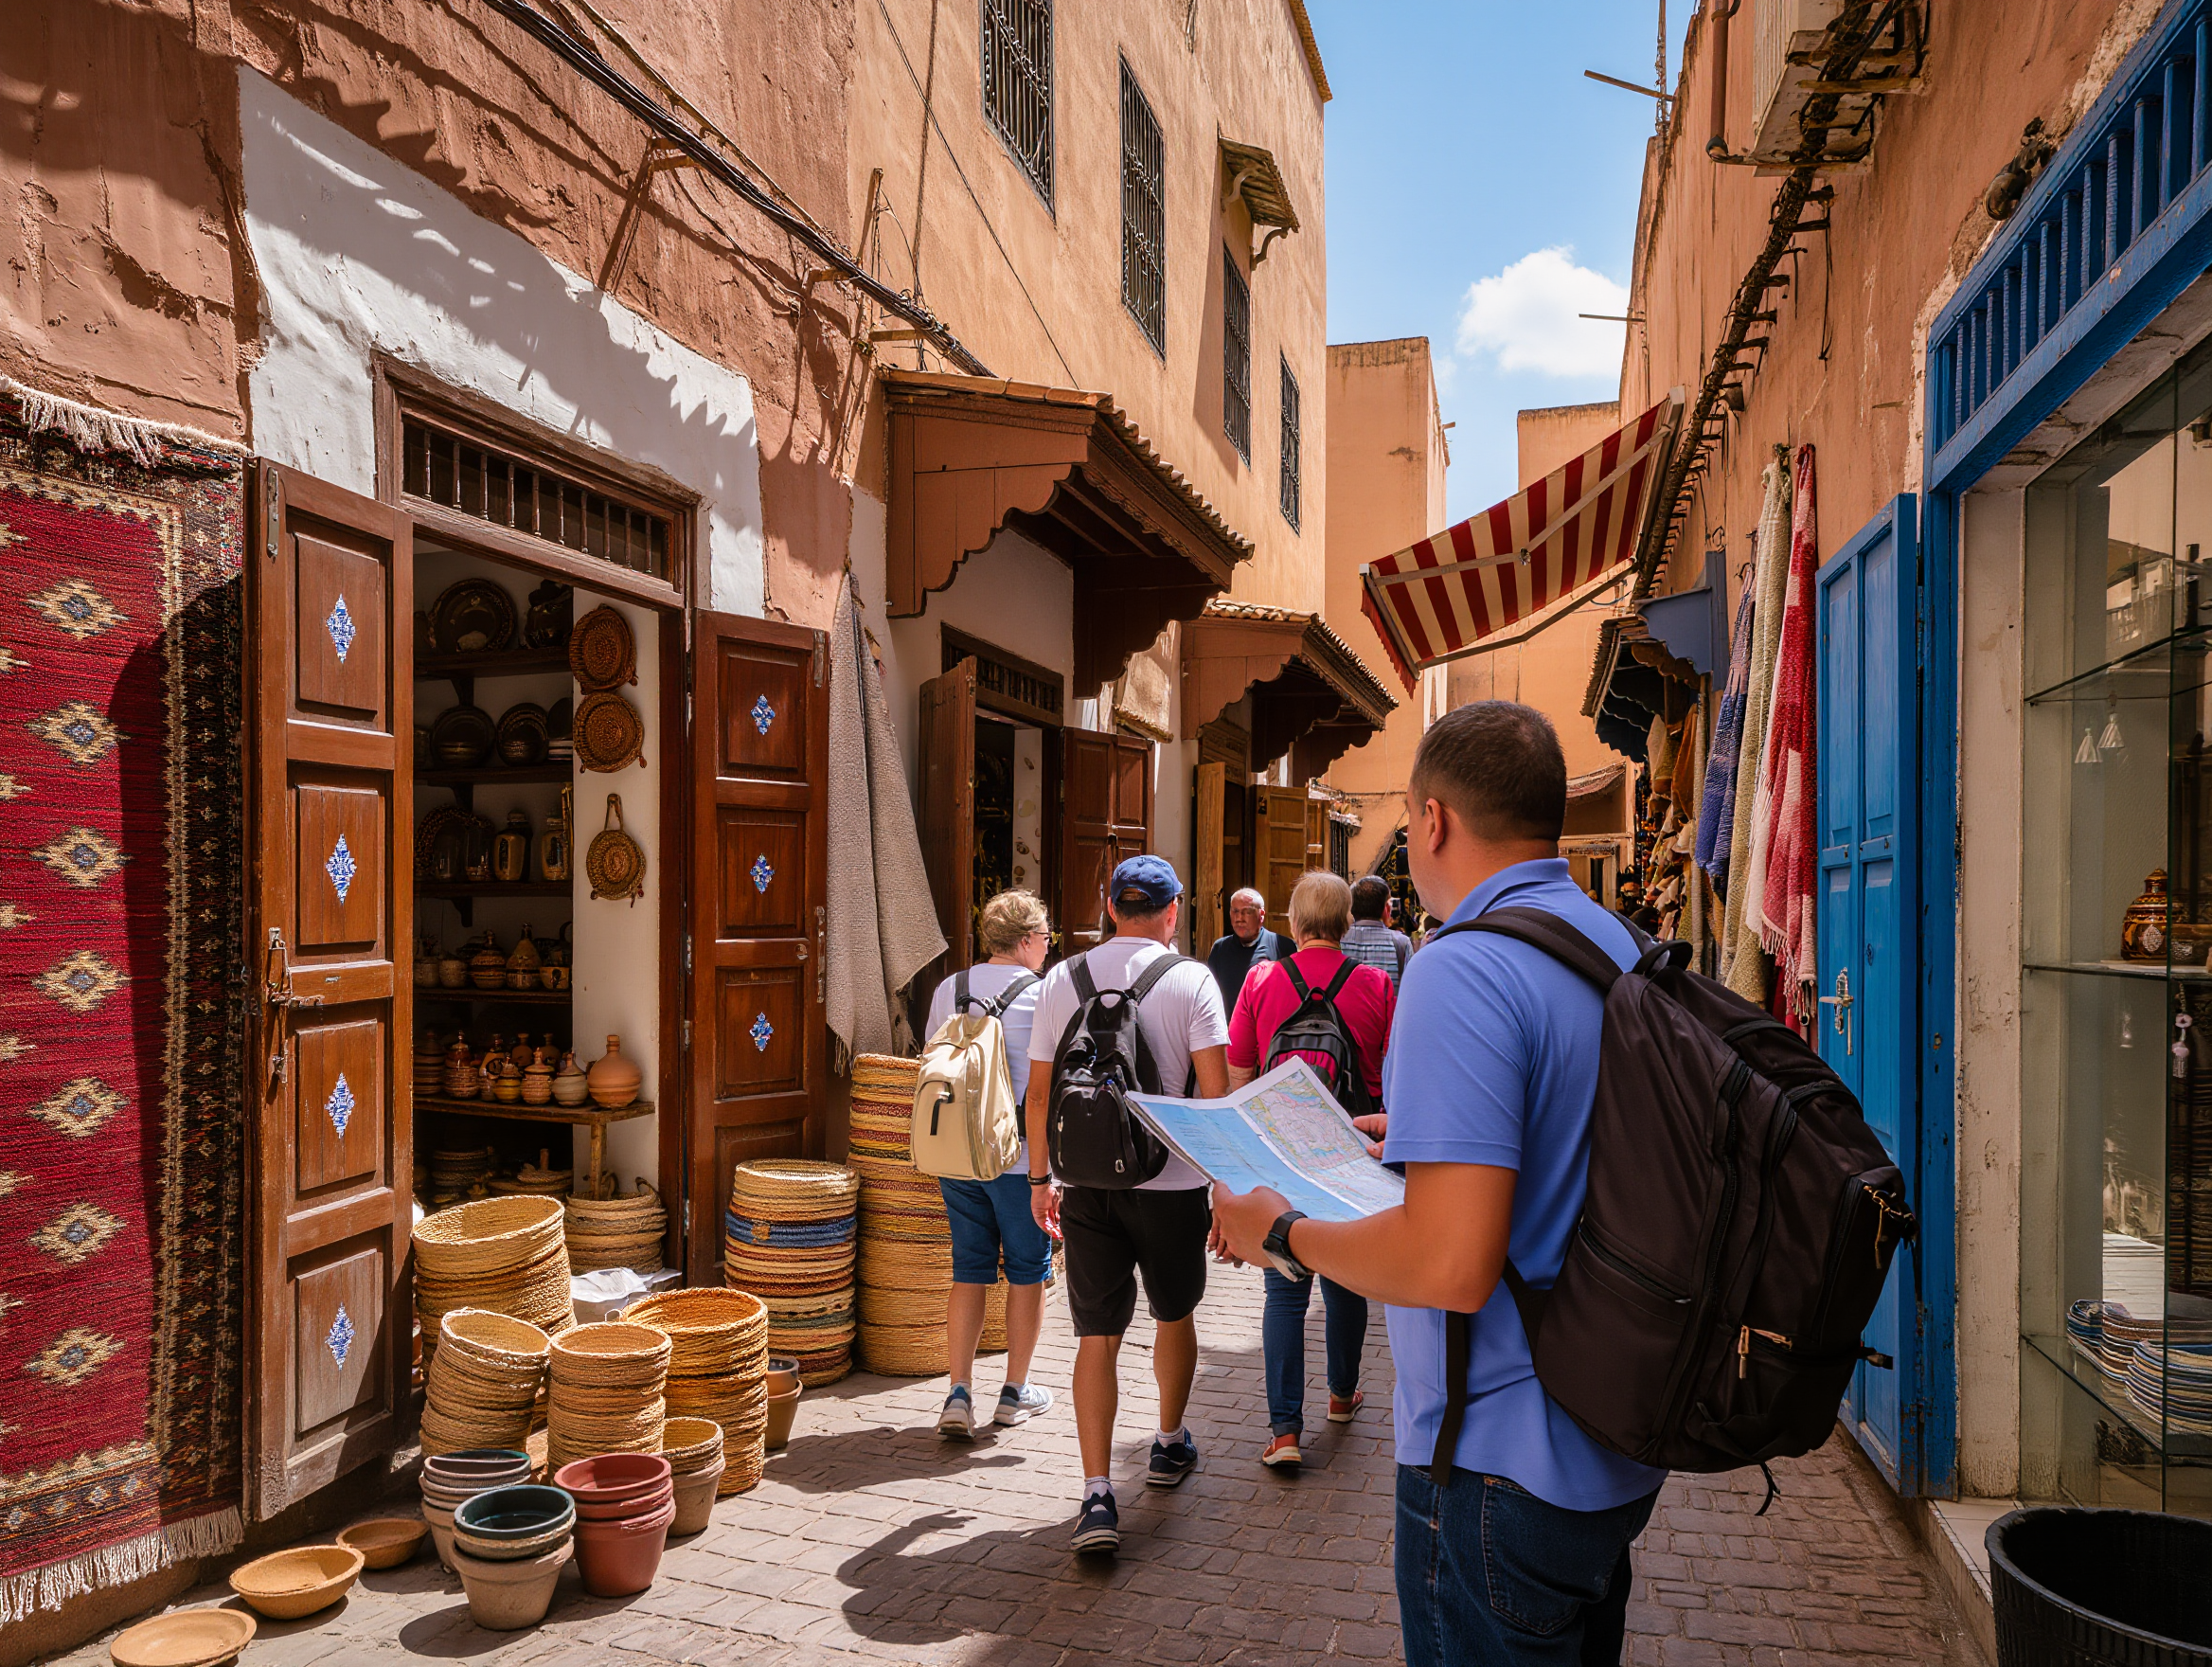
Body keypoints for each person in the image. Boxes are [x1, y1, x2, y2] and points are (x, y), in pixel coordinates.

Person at [1210, 701, 1666, 1667]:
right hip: (1610, 1437)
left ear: (1431, 820)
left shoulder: (1462, 965)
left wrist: (1280, 1229)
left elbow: (1450, 1263)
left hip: (1495, 1453)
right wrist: (1400, 1140)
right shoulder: (1612, 943)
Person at [1027, 855, 1229, 1556]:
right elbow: (1212, 1095)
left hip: (1086, 1183)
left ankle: (1095, 1492)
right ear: (1173, 911)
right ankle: (1168, 1444)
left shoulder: (1062, 978)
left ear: (1111, 907)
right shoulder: (1192, 978)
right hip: (1171, 1186)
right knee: (1174, 1313)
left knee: (1096, 1335)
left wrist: (1038, 1178)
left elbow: (1039, 1093)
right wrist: (1223, 1189)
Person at [1224, 869, 1393, 1473]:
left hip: (1281, 1148)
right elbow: (1388, 1072)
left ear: (1291, 925)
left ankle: (1285, 1431)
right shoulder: (1375, 983)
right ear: (1347, 924)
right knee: (1346, 1273)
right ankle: (1343, 1396)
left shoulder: (1262, 978)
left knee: (1284, 1285)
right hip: (1350, 1148)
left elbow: (1240, 1072)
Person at [921, 890, 1057, 1441]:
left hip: (957, 1153)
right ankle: (1015, 1391)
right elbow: (1050, 1090)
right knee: (1029, 1270)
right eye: (1046, 938)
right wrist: (1050, 1175)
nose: (1048, 948)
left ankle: (959, 1391)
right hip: (1020, 1157)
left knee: (969, 1266)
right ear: (1025, 940)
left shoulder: (948, 990)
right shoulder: (1045, 995)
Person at [1204, 886, 1281, 1009]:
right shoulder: (1221, 948)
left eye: (1247, 912)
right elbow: (1211, 993)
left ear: (1261, 915)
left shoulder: (1282, 947)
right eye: (1235, 911)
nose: (1239, 918)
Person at [1342, 874, 1415, 991]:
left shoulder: (1338, 939)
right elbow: (1410, 989)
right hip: (1387, 1008)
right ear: (1386, 909)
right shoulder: (1401, 943)